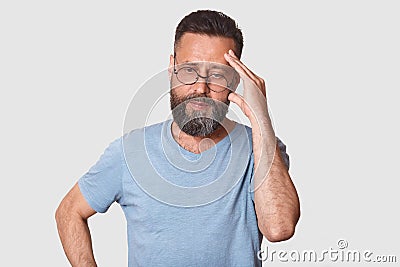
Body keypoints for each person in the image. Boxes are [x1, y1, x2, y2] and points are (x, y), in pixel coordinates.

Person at [55, 10, 300, 267]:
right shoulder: (131, 152)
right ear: (172, 67)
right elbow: (69, 212)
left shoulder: (261, 146)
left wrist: (261, 119)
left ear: (236, 80)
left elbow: (279, 229)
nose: (200, 88)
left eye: (217, 75)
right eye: (188, 70)